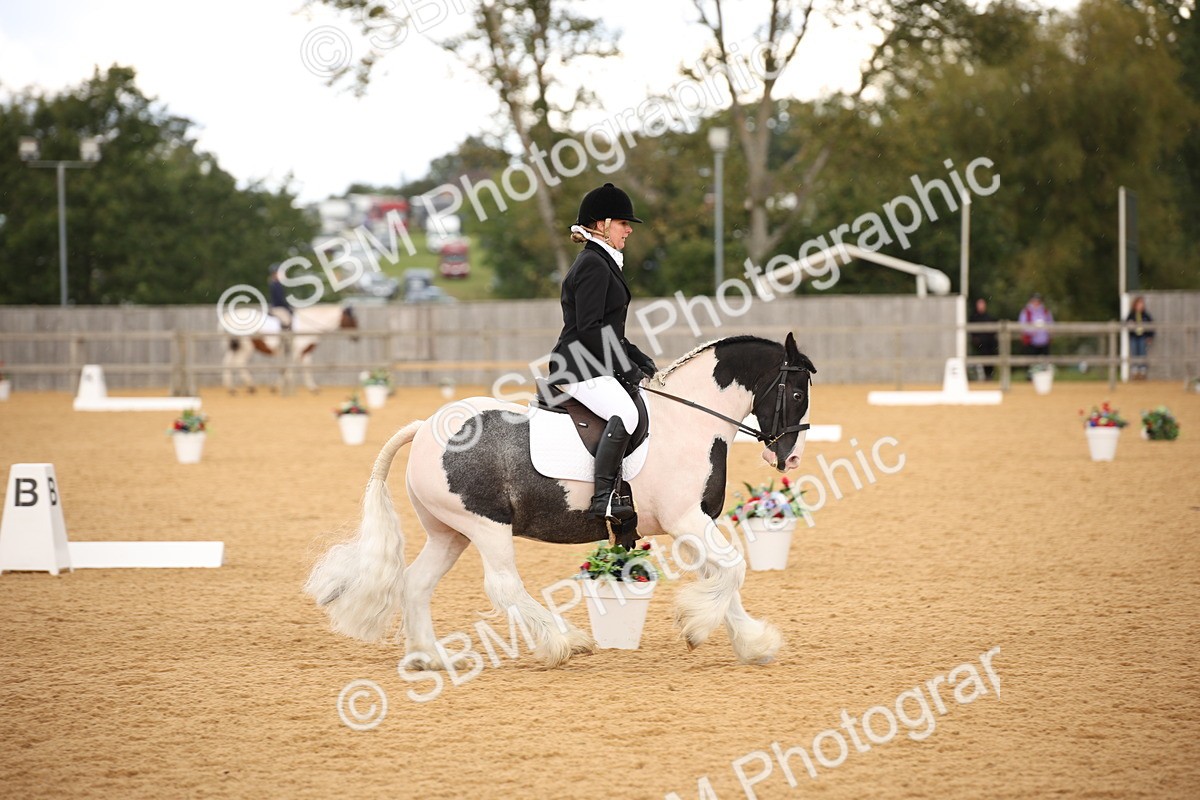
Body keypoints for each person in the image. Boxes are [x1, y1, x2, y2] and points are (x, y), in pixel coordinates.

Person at [549, 183, 657, 529]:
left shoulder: (602, 261)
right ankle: (605, 496)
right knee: (624, 412)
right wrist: (626, 368)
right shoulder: (594, 264)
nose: (629, 230)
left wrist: (640, 361)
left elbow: (611, 332)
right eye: (624, 223)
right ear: (602, 224)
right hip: (578, 365)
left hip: (593, 361)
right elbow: (591, 328)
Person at [968, 297, 998, 380]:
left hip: (988, 344)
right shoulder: (973, 318)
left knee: (990, 353)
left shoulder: (989, 317)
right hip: (978, 345)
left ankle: (989, 376)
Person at [1018, 292, 1054, 360]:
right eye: (1034, 300)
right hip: (1031, 341)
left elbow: (1051, 323)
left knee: (1045, 362)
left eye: (1038, 301)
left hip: (1044, 341)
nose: (1036, 302)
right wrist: (1031, 331)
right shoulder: (1026, 312)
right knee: (1031, 361)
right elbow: (1022, 325)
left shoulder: (1045, 311)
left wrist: (1048, 331)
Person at [1126, 296, 1154, 380]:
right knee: (1134, 353)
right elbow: (1126, 324)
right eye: (1139, 303)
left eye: (1142, 303)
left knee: (1142, 353)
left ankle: (1142, 371)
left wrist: (1150, 336)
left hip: (1143, 337)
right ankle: (1135, 371)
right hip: (1134, 337)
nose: (1140, 305)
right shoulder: (1131, 315)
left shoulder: (1146, 315)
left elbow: (1152, 326)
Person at [267, 263, 293, 330]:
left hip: (279, 307)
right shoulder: (275, 284)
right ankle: (284, 337)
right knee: (287, 321)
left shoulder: (277, 284)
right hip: (278, 308)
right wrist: (287, 307)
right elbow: (279, 299)